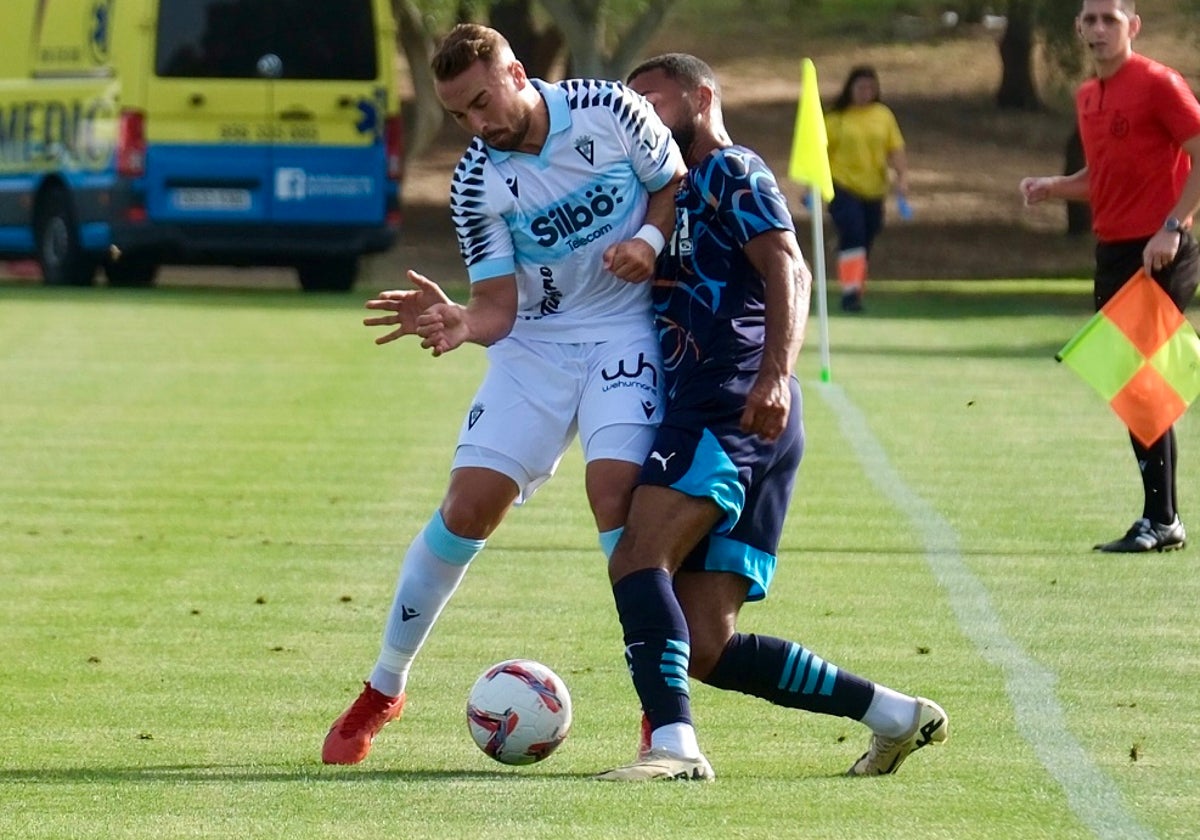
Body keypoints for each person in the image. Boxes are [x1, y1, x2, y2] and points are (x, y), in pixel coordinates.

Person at [321, 23, 686, 765]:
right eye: (460, 115)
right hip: (537, 349)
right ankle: (384, 686)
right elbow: (497, 308)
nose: (478, 124)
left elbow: (674, 184)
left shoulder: (610, 108)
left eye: (483, 102)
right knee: (466, 507)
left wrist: (647, 244)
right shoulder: (475, 182)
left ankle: (659, 712)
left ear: (517, 73)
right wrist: (462, 321)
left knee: (616, 498)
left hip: (626, 333)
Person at [593, 53, 948, 782]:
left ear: (702, 96)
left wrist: (775, 374)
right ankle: (894, 715)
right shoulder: (661, 194)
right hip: (745, 415)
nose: (638, 116)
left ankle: (674, 748)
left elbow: (790, 265)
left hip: (733, 401)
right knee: (705, 645)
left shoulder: (731, 169)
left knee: (637, 555)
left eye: (651, 99)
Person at [1020, 0, 1200, 554]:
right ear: (1078, 27)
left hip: (1161, 250)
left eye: (1110, 20)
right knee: (1130, 386)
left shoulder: (1159, 84)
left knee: (1145, 385)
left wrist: (1173, 226)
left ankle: (1162, 518)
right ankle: (1161, 517)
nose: (1098, 30)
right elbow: (1102, 176)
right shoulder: (1088, 97)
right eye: (1090, 20)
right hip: (1114, 252)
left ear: (1133, 27)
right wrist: (1056, 186)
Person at [825, 65, 909, 313]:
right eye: (860, 87)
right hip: (842, 185)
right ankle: (850, 293)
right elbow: (821, 153)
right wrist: (813, 188)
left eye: (870, 88)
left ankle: (855, 282)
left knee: (867, 237)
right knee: (854, 234)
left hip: (873, 189)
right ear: (850, 88)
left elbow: (895, 149)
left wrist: (902, 177)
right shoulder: (836, 118)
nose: (865, 92)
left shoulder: (883, 115)